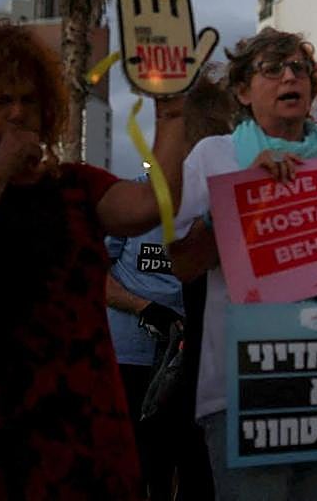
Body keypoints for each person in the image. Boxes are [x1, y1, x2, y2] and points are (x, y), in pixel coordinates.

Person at [0, 15, 187, 497]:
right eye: (1, 101)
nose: (17, 113)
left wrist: (172, 117)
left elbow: (147, 207)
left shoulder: (74, 184)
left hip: (78, 422)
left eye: (29, 101)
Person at [167, 28, 317, 499]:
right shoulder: (213, 157)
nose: (291, 76)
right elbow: (182, 264)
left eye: (300, 68)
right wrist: (246, 194)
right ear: (242, 91)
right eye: (273, 68)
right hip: (244, 393)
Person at [106, 66, 233, 500]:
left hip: (199, 369)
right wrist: (144, 308)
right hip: (134, 360)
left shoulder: (224, 199)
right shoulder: (132, 201)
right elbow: (94, 279)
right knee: (141, 467)